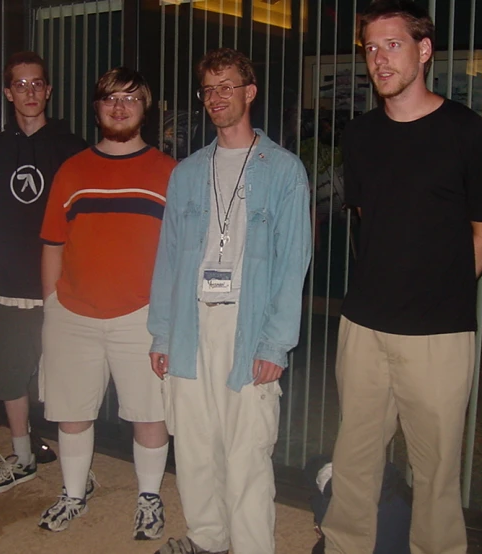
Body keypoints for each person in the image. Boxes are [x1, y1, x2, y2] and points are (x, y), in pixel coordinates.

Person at [320, 2, 482, 553]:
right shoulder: (361, 136)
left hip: (437, 336)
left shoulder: (465, 131)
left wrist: (441, 290)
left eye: (392, 45)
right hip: (365, 327)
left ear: (423, 51)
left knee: (435, 474)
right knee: (353, 459)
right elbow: (367, 219)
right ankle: (343, 546)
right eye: (370, 48)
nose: (379, 60)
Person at [148, 48, 312, 554]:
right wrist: (162, 331)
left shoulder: (284, 171)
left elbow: (293, 263)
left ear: (250, 93)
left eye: (227, 87)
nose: (217, 98)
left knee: (247, 453)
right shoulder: (187, 173)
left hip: (249, 326)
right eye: (208, 89)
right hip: (190, 324)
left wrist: (275, 343)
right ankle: (206, 539)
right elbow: (170, 257)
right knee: (194, 447)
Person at [37, 67, 176, 539]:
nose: (119, 107)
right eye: (110, 99)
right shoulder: (72, 169)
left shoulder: (168, 172)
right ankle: (74, 494)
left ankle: (149, 497)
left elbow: (179, 252)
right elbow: (53, 243)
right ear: (96, 109)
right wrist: (51, 304)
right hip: (71, 313)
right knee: (71, 412)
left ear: (146, 108)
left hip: (141, 315)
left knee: (149, 413)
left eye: (131, 99)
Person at [0, 51, 87, 493]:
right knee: (8, 377)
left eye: (36, 84)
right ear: (8, 93)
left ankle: (76, 471)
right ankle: (22, 457)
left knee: (66, 384)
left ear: (48, 90)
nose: (29, 92)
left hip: (62, 287)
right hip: (10, 285)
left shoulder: (72, 147)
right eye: (19, 85)